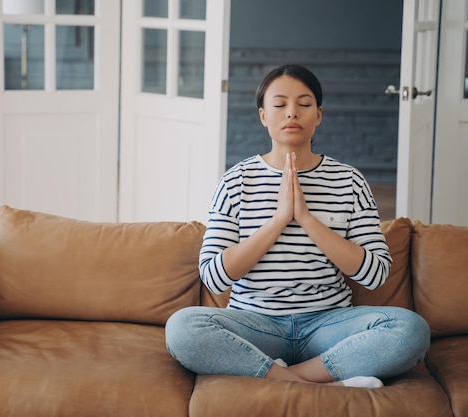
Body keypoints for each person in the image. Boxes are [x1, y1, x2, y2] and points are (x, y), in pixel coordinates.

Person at [165, 64, 430, 389]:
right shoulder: (236, 182)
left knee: (411, 330)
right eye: (279, 105)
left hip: (327, 323)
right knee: (181, 328)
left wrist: (306, 218)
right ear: (263, 115)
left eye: (304, 105)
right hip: (255, 324)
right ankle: (328, 379)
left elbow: (375, 275)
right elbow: (214, 277)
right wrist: (278, 221)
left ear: (318, 115)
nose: (292, 113)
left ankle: (287, 377)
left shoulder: (348, 181)